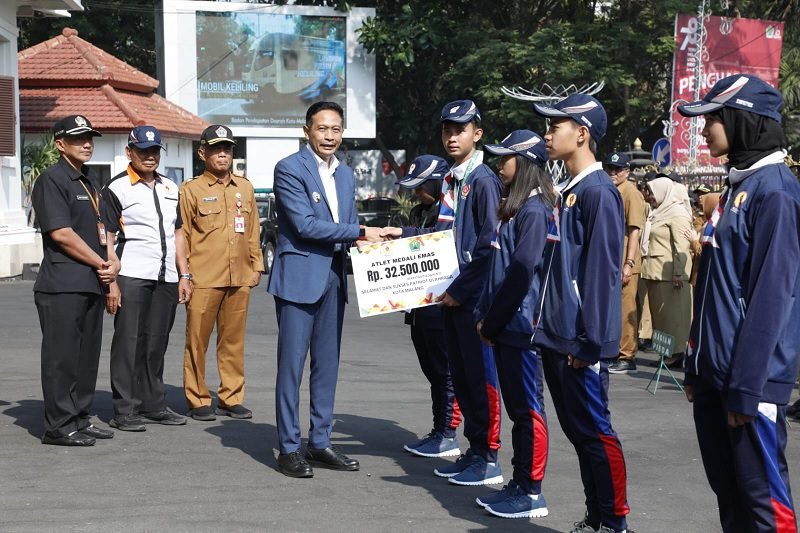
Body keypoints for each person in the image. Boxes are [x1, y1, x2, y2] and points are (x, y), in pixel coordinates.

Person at [678, 73, 800, 533]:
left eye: (714, 118)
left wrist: (747, 386)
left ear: (744, 120)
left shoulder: (777, 192)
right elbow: (712, 285)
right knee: (730, 499)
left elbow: (774, 298)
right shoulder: (736, 187)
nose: (705, 128)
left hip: (749, 383)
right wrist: (696, 364)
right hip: (716, 375)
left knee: (765, 506)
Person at [386, 99, 504, 487]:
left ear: (478, 133)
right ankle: (473, 451)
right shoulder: (455, 180)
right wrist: (400, 235)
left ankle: (488, 458)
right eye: (447, 131)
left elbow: (489, 245)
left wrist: (460, 290)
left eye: (461, 130)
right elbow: (442, 240)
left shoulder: (482, 179)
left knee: (480, 381)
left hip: (469, 300)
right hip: (450, 299)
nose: (452, 137)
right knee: (465, 380)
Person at [267, 101, 383, 478]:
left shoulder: (346, 175)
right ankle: (288, 447)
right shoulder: (289, 169)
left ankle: (319, 442)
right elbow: (305, 226)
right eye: (322, 128)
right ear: (307, 131)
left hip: (334, 278)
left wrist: (371, 244)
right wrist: (362, 232)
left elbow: (347, 227)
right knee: (291, 367)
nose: (329, 136)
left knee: (327, 367)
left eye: (336, 129)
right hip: (299, 279)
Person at [532, 94, 631, 533]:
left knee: (595, 433)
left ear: (582, 134)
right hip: (559, 335)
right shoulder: (570, 192)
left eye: (556, 127)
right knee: (578, 433)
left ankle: (614, 521)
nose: (547, 134)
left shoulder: (598, 192)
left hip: (579, 342)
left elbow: (601, 274)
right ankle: (597, 517)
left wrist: (589, 340)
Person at [473, 130, 554, 519]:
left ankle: (531, 489)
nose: (498, 165)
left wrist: (491, 322)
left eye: (504, 158)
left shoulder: (536, 211)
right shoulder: (519, 208)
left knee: (528, 411)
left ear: (522, 163)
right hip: (507, 326)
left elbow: (521, 275)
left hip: (522, 328)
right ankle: (520, 482)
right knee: (518, 411)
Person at [32, 115, 118, 446]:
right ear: (59, 144)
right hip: (62, 284)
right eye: (79, 138)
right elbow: (61, 234)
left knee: (85, 357)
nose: (87, 143)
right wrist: (101, 261)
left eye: (90, 138)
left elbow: (103, 232)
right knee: (62, 357)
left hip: (91, 282)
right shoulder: (51, 180)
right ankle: (59, 424)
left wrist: (112, 261)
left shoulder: (90, 183)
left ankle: (80, 417)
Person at [101, 126, 190, 431]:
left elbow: (178, 233)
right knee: (128, 342)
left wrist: (184, 274)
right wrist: (111, 282)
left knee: (156, 342)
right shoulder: (117, 188)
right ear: (130, 152)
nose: (150, 157)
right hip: (132, 273)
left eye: (154, 151)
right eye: (143, 151)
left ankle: (153, 403)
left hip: (165, 275)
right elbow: (108, 239)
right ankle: (125, 409)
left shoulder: (170, 188)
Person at [179, 124, 263, 422]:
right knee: (197, 341)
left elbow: (253, 230)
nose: (223, 154)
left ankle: (231, 396)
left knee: (233, 340)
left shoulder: (245, 187)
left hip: (239, 275)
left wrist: (257, 264)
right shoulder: (191, 190)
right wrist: (184, 275)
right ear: (203, 153)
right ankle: (198, 398)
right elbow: (183, 235)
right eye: (216, 148)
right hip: (204, 277)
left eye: (227, 148)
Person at [396, 155, 463, 458]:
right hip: (418, 305)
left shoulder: (450, 213)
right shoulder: (420, 212)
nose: (416, 192)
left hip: (441, 302)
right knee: (432, 370)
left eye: (421, 186)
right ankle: (438, 428)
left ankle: (448, 432)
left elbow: (437, 244)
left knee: (445, 371)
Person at [640, 175, 693, 366]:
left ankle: (676, 354)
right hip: (654, 272)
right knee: (661, 319)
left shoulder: (677, 213)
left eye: (653, 192)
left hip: (670, 275)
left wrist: (679, 272)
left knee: (674, 318)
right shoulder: (658, 212)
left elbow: (681, 246)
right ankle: (665, 353)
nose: (651, 197)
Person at [603, 153, 646, 374]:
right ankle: (615, 350)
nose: (612, 173)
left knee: (626, 308)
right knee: (614, 308)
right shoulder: (613, 190)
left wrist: (628, 262)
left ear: (627, 172)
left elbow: (635, 230)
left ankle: (627, 355)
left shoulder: (631, 193)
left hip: (625, 261)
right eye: (610, 168)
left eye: (617, 169)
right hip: (612, 258)